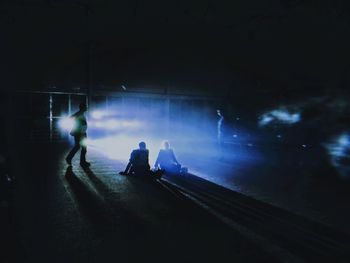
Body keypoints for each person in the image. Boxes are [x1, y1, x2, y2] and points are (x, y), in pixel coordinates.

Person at [65, 102, 90, 167]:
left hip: (82, 133)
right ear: (83, 107)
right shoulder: (79, 114)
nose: (87, 108)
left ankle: (71, 159)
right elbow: (72, 117)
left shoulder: (81, 114)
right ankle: (81, 161)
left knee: (79, 147)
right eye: (85, 107)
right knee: (81, 147)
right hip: (80, 134)